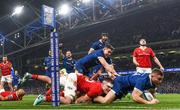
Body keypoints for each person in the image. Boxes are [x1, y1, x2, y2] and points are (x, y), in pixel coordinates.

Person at [33, 73, 113, 105]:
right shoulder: (97, 89)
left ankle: (48, 95)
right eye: (108, 86)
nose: (109, 89)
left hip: (75, 79)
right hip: (74, 80)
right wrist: (78, 101)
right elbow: (82, 100)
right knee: (68, 101)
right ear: (103, 83)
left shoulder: (99, 86)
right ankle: (43, 98)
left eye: (110, 88)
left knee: (53, 82)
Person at [93, 68, 164, 104]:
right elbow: (135, 97)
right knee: (106, 101)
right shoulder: (142, 80)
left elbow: (152, 91)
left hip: (126, 87)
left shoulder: (153, 82)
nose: (160, 82)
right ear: (152, 76)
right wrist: (149, 103)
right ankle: (93, 98)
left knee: (112, 100)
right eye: (159, 79)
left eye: (161, 79)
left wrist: (154, 99)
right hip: (120, 82)